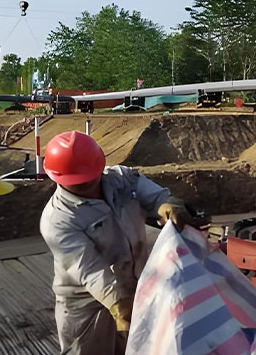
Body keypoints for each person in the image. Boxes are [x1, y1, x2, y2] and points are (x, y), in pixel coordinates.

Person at [39, 131, 192, 355]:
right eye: (79, 183)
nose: (89, 184)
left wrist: (167, 203)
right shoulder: (58, 219)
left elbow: (155, 196)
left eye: (92, 176)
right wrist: (118, 304)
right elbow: (90, 271)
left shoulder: (122, 179)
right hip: (86, 304)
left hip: (137, 287)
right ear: (58, 177)